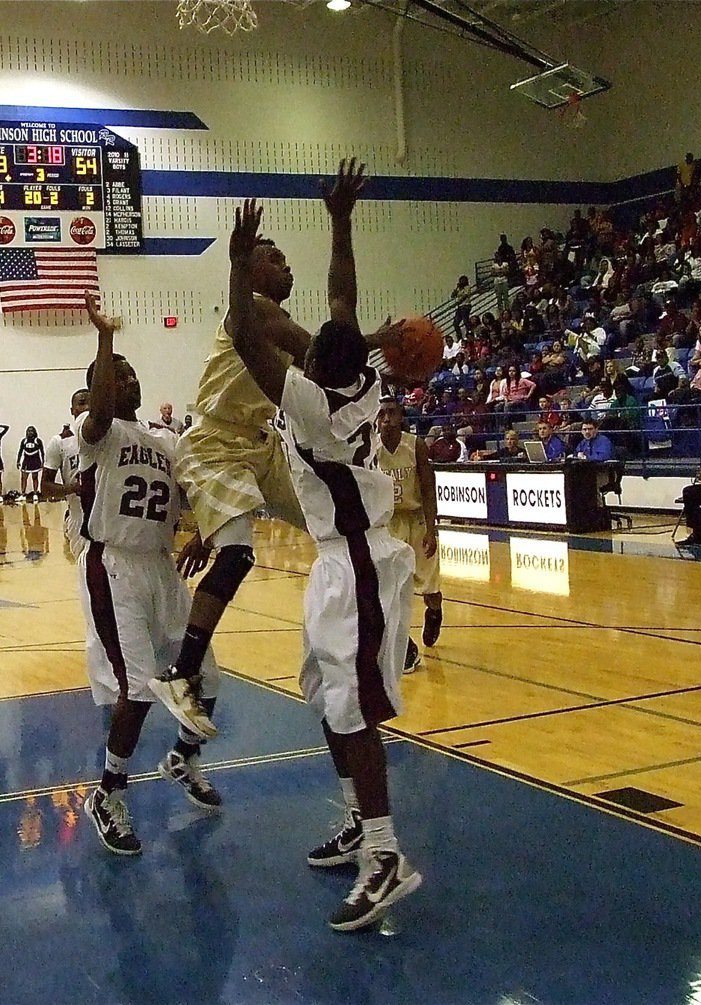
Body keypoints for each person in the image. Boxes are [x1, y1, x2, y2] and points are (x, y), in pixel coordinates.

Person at [152, 161, 402, 734]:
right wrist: (379, 340)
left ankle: (380, 629)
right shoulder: (259, 315)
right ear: (250, 270)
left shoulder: (279, 322)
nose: (285, 264)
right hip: (215, 441)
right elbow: (328, 341)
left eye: (286, 257)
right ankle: (180, 673)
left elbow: (332, 331)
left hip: (258, 445)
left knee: (333, 529)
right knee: (240, 556)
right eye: (273, 257)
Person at [228, 197, 421, 932]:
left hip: (360, 561)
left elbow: (247, 337)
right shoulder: (359, 380)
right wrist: (340, 219)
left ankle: (385, 854)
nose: (297, 347)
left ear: (310, 367)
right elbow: (343, 302)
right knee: (323, 691)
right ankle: (357, 823)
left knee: (354, 707)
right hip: (339, 559)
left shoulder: (312, 405)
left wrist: (236, 264)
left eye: (304, 350)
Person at [78, 292, 219, 858]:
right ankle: (108, 791)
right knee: (136, 687)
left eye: (131, 371)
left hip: (161, 567)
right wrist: (106, 339)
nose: (127, 379)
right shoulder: (100, 434)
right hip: (115, 566)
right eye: (116, 374)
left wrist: (205, 533)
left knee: (206, 680)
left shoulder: (168, 442)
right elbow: (103, 409)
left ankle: (182, 758)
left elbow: (203, 497)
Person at [377, 398, 444, 660]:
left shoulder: (414, 445)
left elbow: (428, 488)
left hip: (416, 520)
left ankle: (435, 612)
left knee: (430, 589)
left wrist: (431, 528)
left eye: (391, 413)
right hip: (388, 522)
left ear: (401, 416)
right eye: (381, 413)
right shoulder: (370, 447)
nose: (386, 418)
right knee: (389, 589)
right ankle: (404, 645)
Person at [42, 389, 92, 561]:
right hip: (79, 517)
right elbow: (45, 487)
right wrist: (72, 488)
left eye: (90, 403)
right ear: (72, 410)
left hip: (107, 517)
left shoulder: (108, 439)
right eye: (81, 403)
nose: (86, 408)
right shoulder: (60, 442)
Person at [16, 425, 45, 502]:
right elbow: (20, 451)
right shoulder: (24, 441)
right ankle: (23, 494)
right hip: (26, 461)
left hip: (35, 461)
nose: (30, 432)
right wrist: (18, 461)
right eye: (28, 431)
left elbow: (42, 452)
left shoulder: (38, 441)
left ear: (34, 432)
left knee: (35, 477)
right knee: (23, 478)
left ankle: (35, 493)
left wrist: (43, 462)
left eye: (31, 431)